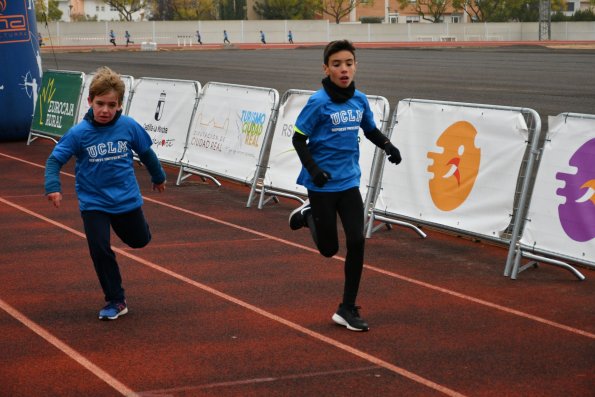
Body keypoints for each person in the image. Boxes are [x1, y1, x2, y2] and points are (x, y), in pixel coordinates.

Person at [288, 40, 402, 332]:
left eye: (348, 63)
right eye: (337, 64)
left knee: (357, 241)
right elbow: (299, 138)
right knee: (329, 249)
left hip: (349, 182)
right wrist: (314, 170)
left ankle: (347, 308)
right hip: (322, 186)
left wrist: (388, 146)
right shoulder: (317, 102)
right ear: (326, 68)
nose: (343, 69)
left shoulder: (360, 100)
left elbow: (370, 129)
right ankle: (308, 215)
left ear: (355, 66)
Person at [44, 66, 166, 321]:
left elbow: (146, 154)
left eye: (112, 105)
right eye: (100, 103)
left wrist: (158, 177)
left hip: (125, 199)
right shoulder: (79, 133)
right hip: (94, 202)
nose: (105, 110)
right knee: (100, 249)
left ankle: (137, 230)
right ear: (90, 101)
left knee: (139, 240)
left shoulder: (129, 127)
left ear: (120, 105)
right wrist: (53, 187)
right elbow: (54, 161)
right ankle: (115, 300)